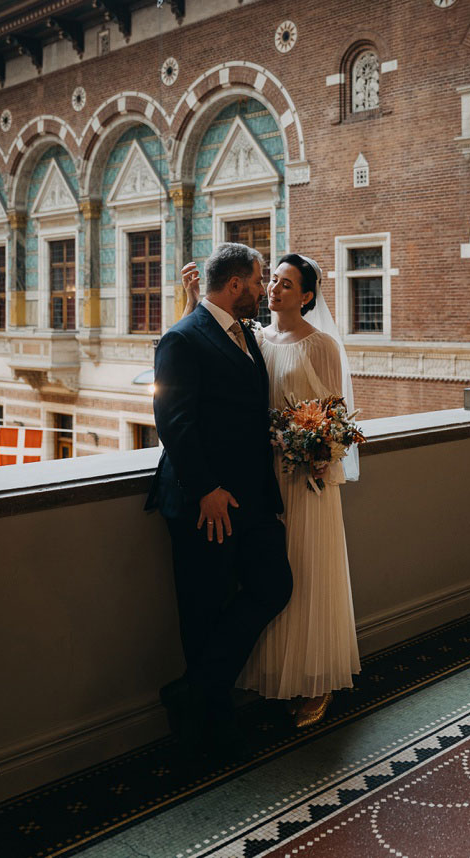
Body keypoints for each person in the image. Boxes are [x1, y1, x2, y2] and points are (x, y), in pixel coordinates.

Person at [182, 253, 361, 728]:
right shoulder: (254, 339)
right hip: (263, 481)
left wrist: (315, 448)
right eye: (272, 280)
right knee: (272, 583)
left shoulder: (321, 345)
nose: (275, 289)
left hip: (306, 479)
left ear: (306, 296)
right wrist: (190, 301)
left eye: (285, 284)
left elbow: (336, 421)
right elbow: (198, 350)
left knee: (308, 573)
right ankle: (278, 675)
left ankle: (317, 680)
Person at [148, 242, 292, 759]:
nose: (263, 290)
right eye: (258, 281)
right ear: (234, 285)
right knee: (202, 611)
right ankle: (208, 726)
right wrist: (205, 489)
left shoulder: (245, 336)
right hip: (201, 503)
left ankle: (191, 693)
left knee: (274, 584)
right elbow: (174, 422)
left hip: (250, 500)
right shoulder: (182, 339)